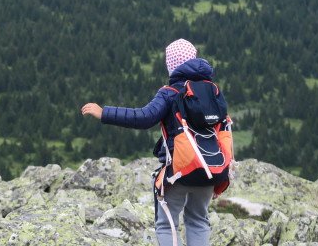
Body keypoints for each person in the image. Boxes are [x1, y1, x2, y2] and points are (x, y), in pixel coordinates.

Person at [81, 38, 223, 246]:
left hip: (179, 171)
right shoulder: (213, 91)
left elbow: (144, 117)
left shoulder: (169, 93)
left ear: (171, 65)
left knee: (167, 225)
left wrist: (105, 113)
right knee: (199, 220)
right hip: (209, 170)